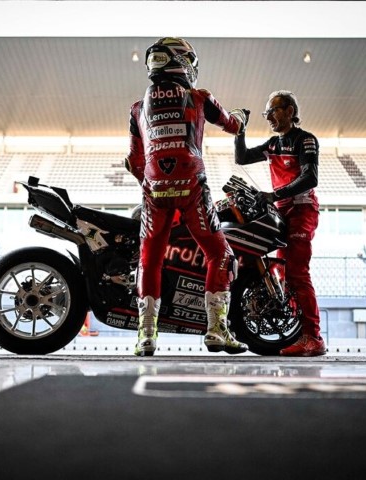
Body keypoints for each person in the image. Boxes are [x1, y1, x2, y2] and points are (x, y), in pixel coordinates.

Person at [124, 37, 249, 357]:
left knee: (149, 259)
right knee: (220, 255)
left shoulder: (137, 109)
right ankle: (216, 329)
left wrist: (152, 184)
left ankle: (146, 336)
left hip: (155, 193)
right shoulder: (199, 96)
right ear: (184, 62)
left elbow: (134, 162)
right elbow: (232, 125)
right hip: (193, 187)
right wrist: (241, 117)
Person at [233, 90, 326, 357]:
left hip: (301, 210)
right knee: (284, 278)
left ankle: (313, 337)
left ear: (289, 110)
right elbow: (242, 158)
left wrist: (275, 195)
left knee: (297, 273)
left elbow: (310, 178)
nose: (269, 117)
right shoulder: (273, 144)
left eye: (273, 111)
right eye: (267, 113)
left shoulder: (305, 140)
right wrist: (240, 131)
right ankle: (300, 335)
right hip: (281, 212)